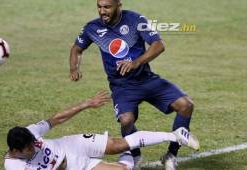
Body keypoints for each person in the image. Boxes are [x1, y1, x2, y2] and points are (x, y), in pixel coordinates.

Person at [69, 0, 196, 169]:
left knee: (186, 105)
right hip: (121, 86)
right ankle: (135, 155)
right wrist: (73, 68)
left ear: (118, 6)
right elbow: (77, 49)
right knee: (126, 120)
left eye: (107, 7)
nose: (102, 11)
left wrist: (136, 62)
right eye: (99, 7)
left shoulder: (135, 20)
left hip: (146, 79)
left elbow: (159, 45)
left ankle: (171, 155)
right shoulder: (92, 28)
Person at [4, 90, 199, 170]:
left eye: (33, 143)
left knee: (116, 145)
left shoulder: (30, 132)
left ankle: (174, 135)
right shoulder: (14, 166)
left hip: (70, 144)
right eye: (29, 148)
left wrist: (86, 104)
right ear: (15, 150)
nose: (34, 148)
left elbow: (56, 119)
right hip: (75, 166)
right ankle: (131, 154)